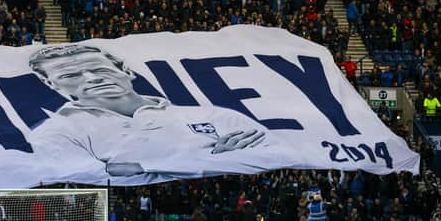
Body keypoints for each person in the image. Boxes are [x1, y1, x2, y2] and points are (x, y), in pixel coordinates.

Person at [29, 45, 268, 180]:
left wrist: (139, 165)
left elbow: (272, 154)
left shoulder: (214, 116)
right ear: (53, 84)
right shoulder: (53, 134)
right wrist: (214, 157)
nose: (92, 78)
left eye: (98, 68)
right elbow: (94, 175)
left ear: (124, 69)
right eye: (70, 75)